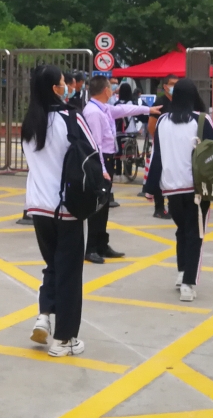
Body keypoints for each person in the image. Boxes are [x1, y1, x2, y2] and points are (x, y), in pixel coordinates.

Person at [22, 64, 96, 357]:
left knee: (53, 264)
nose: (68, 86)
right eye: (64, 82)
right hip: (67, 206)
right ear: (56, 88)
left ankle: (44, 315)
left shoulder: (29, 123)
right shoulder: (71, 118)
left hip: (38, 207)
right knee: (70, 273)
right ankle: (65, 339)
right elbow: (91, 155)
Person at [154, 78, 213, 301]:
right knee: (195, 234)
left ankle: (182, 272)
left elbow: (157, 155)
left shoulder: (162, 121)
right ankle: (188, 284)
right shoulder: (202, 120)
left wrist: (152, 188)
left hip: (171, 187)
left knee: (182, 230)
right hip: (196, 187)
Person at [80, 75, 152, 263]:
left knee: (104, 205)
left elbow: (123, 109)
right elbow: (95, 145)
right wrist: (102, 169)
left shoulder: (104, 108)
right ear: (106, 90)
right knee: (97, 205)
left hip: (107, 159)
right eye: (111, 88)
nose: (113, 91)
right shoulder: (93, 112)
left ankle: (102, 244)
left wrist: (148, 109)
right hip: (100, 160)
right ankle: (91, 248)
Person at [144, 75, 178, 218]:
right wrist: (159, 141)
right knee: (159, 174)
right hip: (161, 146)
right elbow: (151, 126)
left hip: (175, 146)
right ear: (165, 86)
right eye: (172, 84)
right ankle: (159, 207)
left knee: (172, 175)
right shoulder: (160, 102)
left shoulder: (179, 102)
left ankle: (173, 206)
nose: (174, 87)